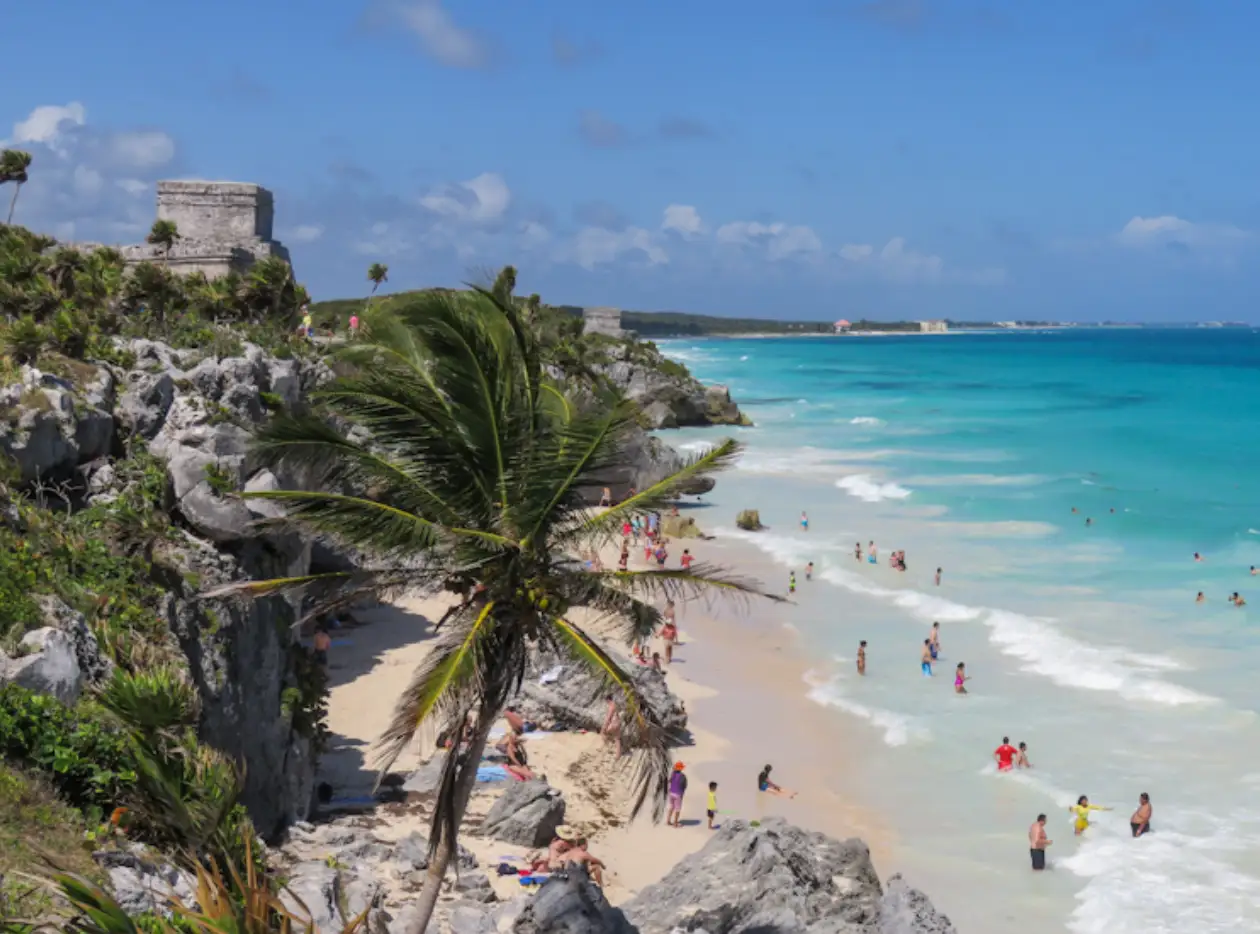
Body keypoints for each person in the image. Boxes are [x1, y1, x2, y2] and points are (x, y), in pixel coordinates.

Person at [667, 762, 687, 827]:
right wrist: (682, 793)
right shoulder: (682, 776)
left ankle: (668, 821)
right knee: (677, 809)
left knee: (671, 807)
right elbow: (683, 786)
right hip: (678, 794)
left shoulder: (673, 774)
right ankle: (675, 823)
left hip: (671, 793)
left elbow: (669, 781)